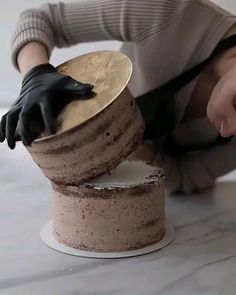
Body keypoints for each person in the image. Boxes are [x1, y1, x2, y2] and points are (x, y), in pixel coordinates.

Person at [1, 0, 236, 194]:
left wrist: (143, 157)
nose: (229, 131)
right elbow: (42, 20)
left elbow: (187, 177)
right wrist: (35, 74)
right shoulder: (169, 14)